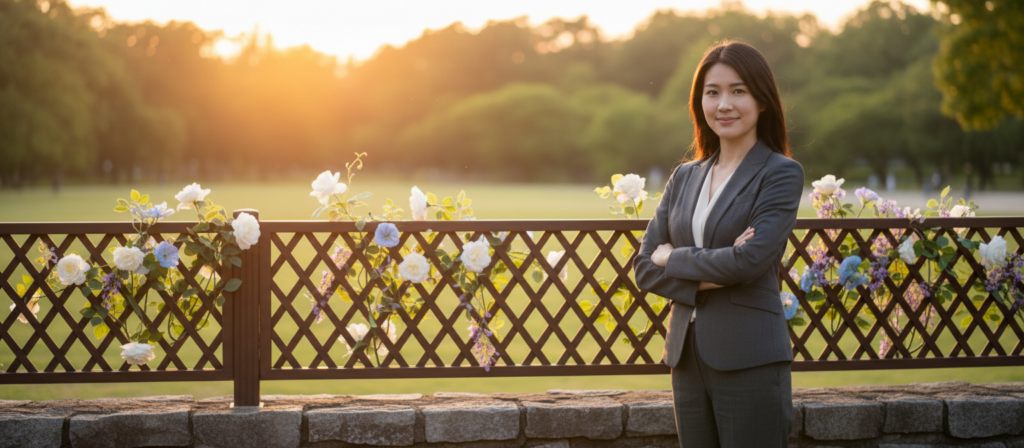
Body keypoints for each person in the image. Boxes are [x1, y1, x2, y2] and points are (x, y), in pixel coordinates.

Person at [633, 40, 804, 447]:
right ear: (700, 102)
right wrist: (721, 265)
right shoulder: (685, 176)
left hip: (750, 357)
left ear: (762, 100)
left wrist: (672, 257)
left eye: (738, 91)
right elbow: (643, 267)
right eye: (713, 92)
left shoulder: (780, 173)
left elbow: (748, 263)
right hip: (686, 357)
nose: (724, 104)